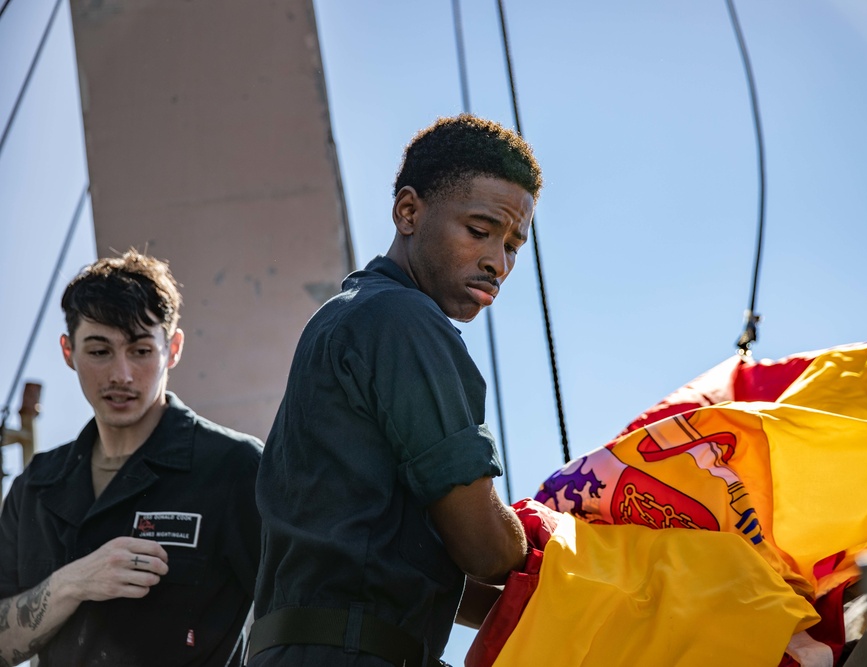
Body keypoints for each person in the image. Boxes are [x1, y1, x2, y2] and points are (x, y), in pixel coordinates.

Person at [250, 114, 543, 666]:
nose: (496, 262)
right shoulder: (401, 320)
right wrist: (570, 551)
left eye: (512, 245)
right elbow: (483, 548)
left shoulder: (348, 319)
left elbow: (394, 562)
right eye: (479, 231)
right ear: (408, 212)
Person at [0, 251, 263, 666]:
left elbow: (297, 614)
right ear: (68, 352)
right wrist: (73, 582)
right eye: (100, 351)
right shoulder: (36, 487)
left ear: (172, 349)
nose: (121, 375)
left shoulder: (235, 468)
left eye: (140, 351)